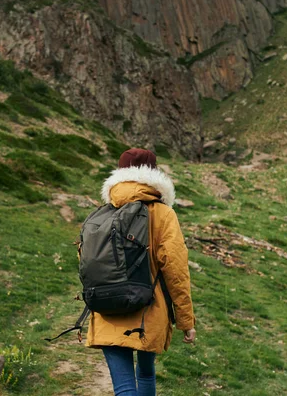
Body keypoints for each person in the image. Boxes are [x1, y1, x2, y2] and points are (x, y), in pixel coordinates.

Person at [85, 148, 196, 396]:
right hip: (149, 309)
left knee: (123, 388)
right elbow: (176, 270)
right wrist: (186, 320)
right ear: (155, 176)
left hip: (107, 306)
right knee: (145, 373)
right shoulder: (164, 213)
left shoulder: (104, 212)